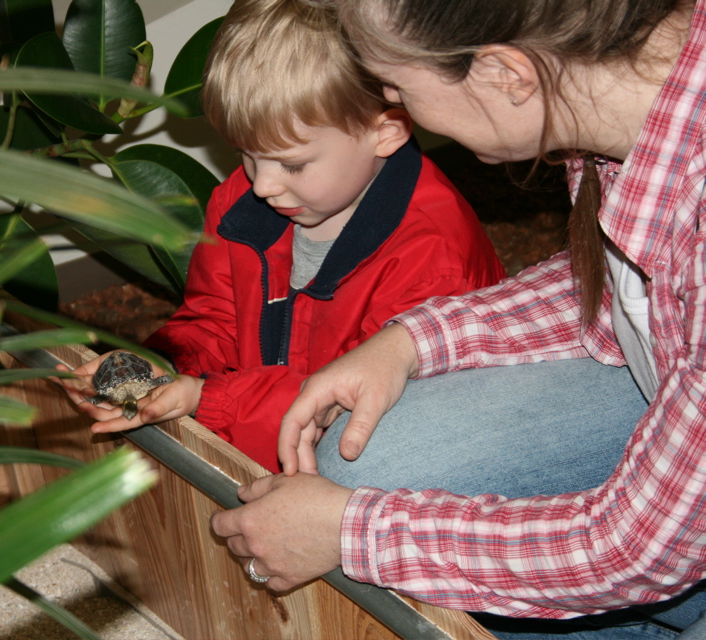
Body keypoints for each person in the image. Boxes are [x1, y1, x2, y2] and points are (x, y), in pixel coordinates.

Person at [209, 0, 706, 637]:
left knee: (374, 518)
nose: (389, 101)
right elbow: (624, 289)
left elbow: (633, 548)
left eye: (396, 84)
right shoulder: (622, 105)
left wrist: (355, 532)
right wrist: (409, 342)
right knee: (368, 465)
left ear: (506, 74)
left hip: (644, 540)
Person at [60, 0, 504, 473]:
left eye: (291, 163)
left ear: (387, 132)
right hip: (270, 431)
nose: (263, 184)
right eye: (247, 155)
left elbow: (352, 411)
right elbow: (214, 318)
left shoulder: (432, 257)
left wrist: (211, 401)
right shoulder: (241, 200)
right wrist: (164, 368)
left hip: (398, 461)